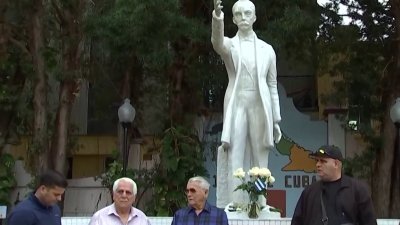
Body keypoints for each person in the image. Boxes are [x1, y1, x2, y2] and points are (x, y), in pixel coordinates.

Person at [211, 0, 282, 208]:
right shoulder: (230, 45)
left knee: (261, 158)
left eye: (247, 13)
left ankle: (260, 201)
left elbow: (272, 85)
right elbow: (217, 43)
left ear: (254, 17)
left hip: (260, 106)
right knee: (236, 153)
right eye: (238, 14)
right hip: (237, 103)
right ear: (233, 19)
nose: (243, 18)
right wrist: (217, 17)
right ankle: (236, 201)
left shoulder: (267, 50)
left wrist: (276, 119)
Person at [291, 145, 378, 225]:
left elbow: (369, 222)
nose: (318, 165)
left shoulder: (357, 190)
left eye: (323, 161)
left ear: (336, 164)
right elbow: (297, 222)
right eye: (317, 161)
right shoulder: (309, 192)